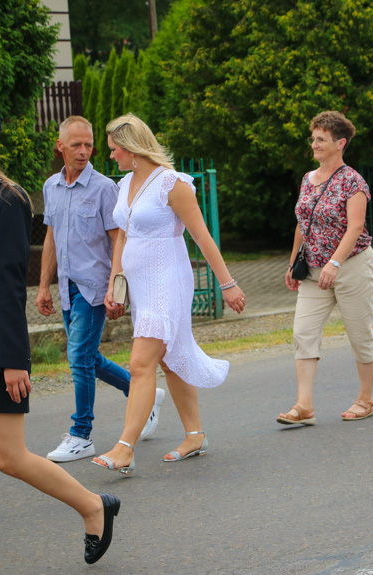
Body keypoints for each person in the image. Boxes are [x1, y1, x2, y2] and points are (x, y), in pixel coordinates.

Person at [0, 100, 119, 573]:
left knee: (8, 457)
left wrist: (16, 358)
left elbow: (10, 285)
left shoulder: (7, 199)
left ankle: (94, 506)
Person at [92, 114, 245, 474]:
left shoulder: (172, 184)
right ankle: (195, 435)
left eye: (115, 150)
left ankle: (124, 448)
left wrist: (227, 283)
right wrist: (115, 281)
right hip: (140, 286)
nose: (111, 156)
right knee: (168, 357)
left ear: (132, 148)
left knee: (140, 362)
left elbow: (202, 236)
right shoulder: (125, 183)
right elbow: (123, 235)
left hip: (167, 281)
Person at [37, 115, 164, 463]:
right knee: (88, 358)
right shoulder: (51, 187)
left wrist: (115, 288)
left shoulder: (105, 188)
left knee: (78, 359)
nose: (84, 151)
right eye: (76, 144)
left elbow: (117, 242)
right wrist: (44, 286)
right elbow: (50, 238)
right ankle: (144, 394)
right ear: (60, 146)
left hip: (94, 287)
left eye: (89, 145)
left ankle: (81, 433)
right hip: (66, 287)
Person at [277, 110, 373, 426]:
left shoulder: (353, 181)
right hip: (313, 269)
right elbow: (302, 223)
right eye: (314, 138)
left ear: (340, 143)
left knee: (360, 334)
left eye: (321, 139)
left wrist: (335, 263)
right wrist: (294, 262)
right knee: (302, 332)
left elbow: (355, 227)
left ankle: (366, 400)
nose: (315, 144)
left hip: (351, 267)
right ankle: (303, 405)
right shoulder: (308, 179)